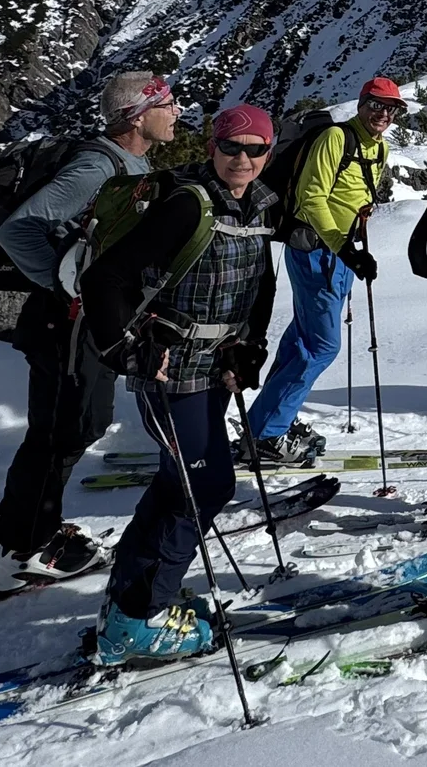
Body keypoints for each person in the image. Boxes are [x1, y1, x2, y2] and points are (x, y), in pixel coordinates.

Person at [80, 104, 280, 663]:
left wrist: (251, 343)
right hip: (171, 371)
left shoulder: (257, 204)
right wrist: (123, 349)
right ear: (212, 146)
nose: (242, 159)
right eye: (231, 147)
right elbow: (104, 279)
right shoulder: (187, 204)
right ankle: (140, 617)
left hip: (213, 367)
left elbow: (260, 282)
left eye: (255, 149)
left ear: (268, 153)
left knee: (181, 484)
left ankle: (131, 602)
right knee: (204, 486)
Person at [0, 71, 180, 591]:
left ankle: (15, 533)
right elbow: (18, 230)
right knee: (63, 432)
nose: (177, 111)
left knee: (66, 428)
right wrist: (63, 282)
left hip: (79, 320)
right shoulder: (97, 167)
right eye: (167, 103)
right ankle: (24, 550)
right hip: (67, 324)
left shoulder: (129, 163)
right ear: (137, 116)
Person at [241, 77, 402, 464]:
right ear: (361, 104)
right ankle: (266, 435)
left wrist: (354, 244)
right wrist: (344, 248)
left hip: (341, 254)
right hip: (317, 251)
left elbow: (354, 197)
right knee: (321, 346)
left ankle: (268, 421)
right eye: (376, 105)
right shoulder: (336, 138)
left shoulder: (379, 146)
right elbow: (310, 197)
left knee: (302, 338)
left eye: (392, 108)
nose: (383, 114)